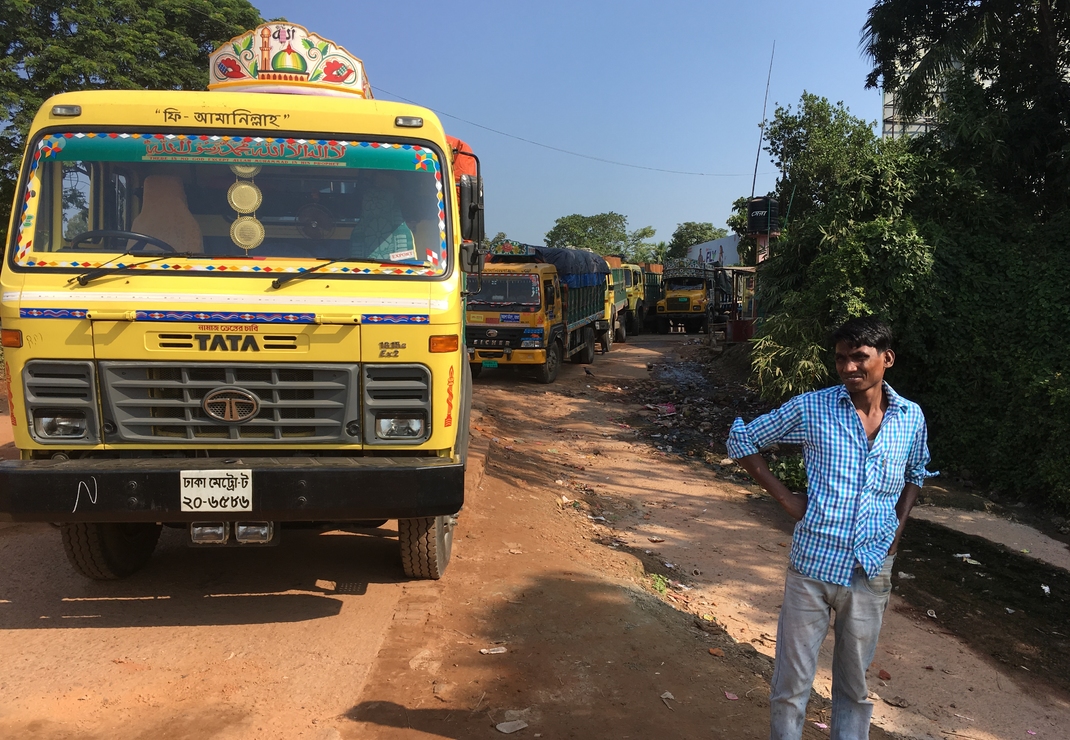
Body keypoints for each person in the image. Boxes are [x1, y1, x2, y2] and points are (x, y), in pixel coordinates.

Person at [726, 317, 934, 740]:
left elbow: (917, 470)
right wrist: (787, 500)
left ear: (886, 359)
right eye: (841, 359)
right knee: (791, 685)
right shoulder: (813, 408)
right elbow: (742, 441)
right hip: (812, 568)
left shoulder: (911, 417)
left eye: (859, 357)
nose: (849, 368)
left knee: (854, 688)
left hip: (872, 569)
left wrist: (899, 525)